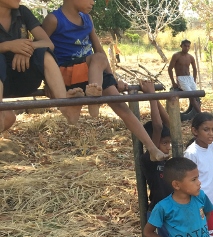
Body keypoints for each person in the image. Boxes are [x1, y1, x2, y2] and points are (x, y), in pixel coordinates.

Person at [42, 0, 167, 161]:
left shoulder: (87, 19)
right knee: (99, 59)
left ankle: (152, 149)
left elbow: (98, 47)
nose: (93, 2)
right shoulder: (54, 19)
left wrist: (113, 79)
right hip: (68, 72)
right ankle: (94, 102)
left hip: (91, 72)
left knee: (122, 107)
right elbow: (41, 52)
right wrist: (48, 82)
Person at [0, 0, 83, 132]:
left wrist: (27, 48)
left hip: (22, 77)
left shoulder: (22, 12)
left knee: (43, 53)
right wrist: (8, 46)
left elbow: (48, 43)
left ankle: (66, 106)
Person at [138, 80, 177, 237]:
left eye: (168, 143)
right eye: (163, 143)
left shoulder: (168, 159)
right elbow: (157, 126)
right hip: (161, 213)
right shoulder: (150, 158)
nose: (168, 146)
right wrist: (151, 96)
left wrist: (164, 101)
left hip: (174, 211)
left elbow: (168, 125)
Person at [168, 39, 201, 114]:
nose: (186, 48)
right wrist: (173, 82)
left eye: (188, 46)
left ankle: (195, 113)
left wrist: (194, 80)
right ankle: (201, 114)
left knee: (195, 95)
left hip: (189, 78)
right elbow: (170, 69)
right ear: (181, 46)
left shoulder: (191, 57)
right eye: (185, 46)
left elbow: (195, 69)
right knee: (190, 95)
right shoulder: (176, 56)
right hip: (181, 78)